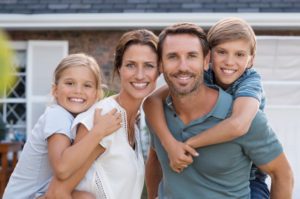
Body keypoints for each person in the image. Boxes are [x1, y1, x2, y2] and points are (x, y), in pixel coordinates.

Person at [145, 22, 293, 199]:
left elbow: (239, 126)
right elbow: (151, 102)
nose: (229, 61)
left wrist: (187, 145)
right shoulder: (162, 111)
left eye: (192, 56)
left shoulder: (248, 100)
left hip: (253, 177)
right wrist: (170, 144)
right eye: (173, 57)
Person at [45, 29, 159, 199]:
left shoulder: (132, 122)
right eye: (130, 65)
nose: (140, 75)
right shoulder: (104, 117)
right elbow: (57, 192)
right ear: (118, 68)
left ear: (159, 70)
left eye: (149, 65)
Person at [3, 53, 122, 199]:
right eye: (70, 83)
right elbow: (62, 168)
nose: (78, 90)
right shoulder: (57, 115)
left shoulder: (79, 120)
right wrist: (99, 131)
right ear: (55, 90)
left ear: (97, 94)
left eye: (87, 85)